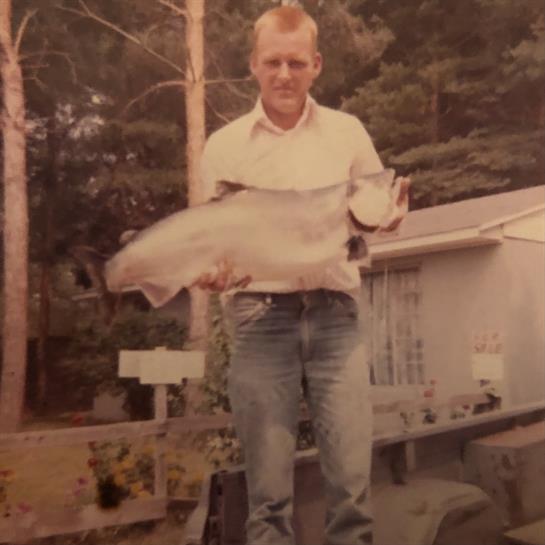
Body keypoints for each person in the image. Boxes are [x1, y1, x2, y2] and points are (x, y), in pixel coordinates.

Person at [197, 6, 409, 545]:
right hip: (259, 320)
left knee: (353, 494)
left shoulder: (347, 132)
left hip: (337, 319)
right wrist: (212, 271)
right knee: (267, 500)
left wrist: (388, 218)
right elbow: (212, 242)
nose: (284, 74)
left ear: (316, 64)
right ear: (253, 64)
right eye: (273, 62)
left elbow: (371, 214)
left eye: (296, 62)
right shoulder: (224, 146)